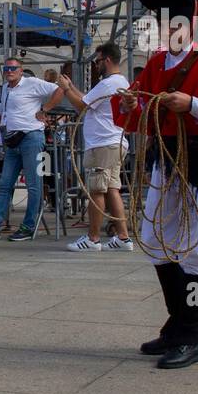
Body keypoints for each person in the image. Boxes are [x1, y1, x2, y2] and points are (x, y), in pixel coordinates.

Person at [115, 0, 198, 369]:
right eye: (162, 24)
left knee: (196, 250)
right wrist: (131, 103)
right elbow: (142, 115)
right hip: (165, 160)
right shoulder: (155, 65)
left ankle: (191, 332)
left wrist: (189, 103)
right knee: (155, 240)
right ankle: (178, 322)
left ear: (190, 26)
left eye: (175, 23)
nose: (168, 30)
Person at [0, 57, 64, 242]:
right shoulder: (5, 89)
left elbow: (59, 89)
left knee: (33, 184)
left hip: (31, 138)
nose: (9, 71)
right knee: (5, 184)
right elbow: (3, 115)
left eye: (13, 68)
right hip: (12, 141)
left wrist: (45, 110)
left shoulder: (32, 83)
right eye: (6, 68)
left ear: (21, 70)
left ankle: (29, 226)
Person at [58, 42, 133, 251]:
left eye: (97, 61)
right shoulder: (117, 81)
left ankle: (92, 239)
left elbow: (82, 105)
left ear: (107, 60)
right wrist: (71, 87)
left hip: (103, 144)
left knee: (96, 191)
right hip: (112, 142)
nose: (96, 65)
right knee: (112, 189)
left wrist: (65, 90)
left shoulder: (109, 83)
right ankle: (123, 237)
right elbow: (88, 99)